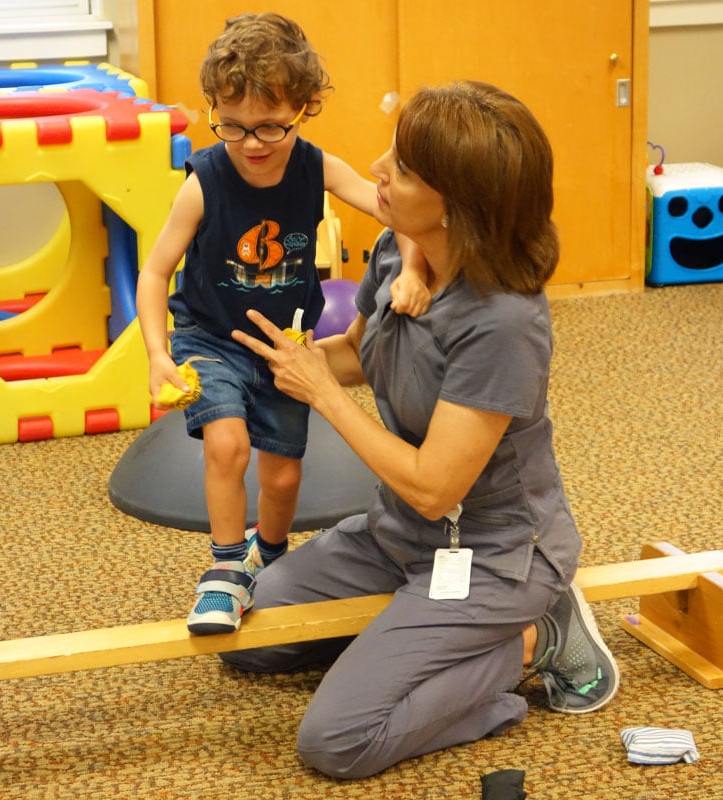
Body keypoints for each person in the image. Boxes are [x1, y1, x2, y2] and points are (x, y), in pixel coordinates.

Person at [225, 81, 620, 779]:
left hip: (493, 556)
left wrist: (322, 396)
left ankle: (531, 640)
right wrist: (279, 365)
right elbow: (359, 352)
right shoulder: (396, 253)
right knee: (249, 643)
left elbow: (437, 487)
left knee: (337, 741)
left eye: (403, 168)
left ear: (459, 208)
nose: (378, 168)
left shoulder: (503, 323)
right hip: (402, 534)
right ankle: (420, 639)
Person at [136, 12, 430, 636]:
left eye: (271, 126)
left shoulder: (314, 166)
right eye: (232, 125)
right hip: (209, 337)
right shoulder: (205, 181)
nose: (251, 143)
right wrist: (159, 355)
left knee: (284, 476)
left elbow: (393, 208)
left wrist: (410, 270)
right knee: (226, 443)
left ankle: (266, 553)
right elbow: (156, 272)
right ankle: (223, 571)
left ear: (305, 108)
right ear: (214, 109)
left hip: (285, 347)